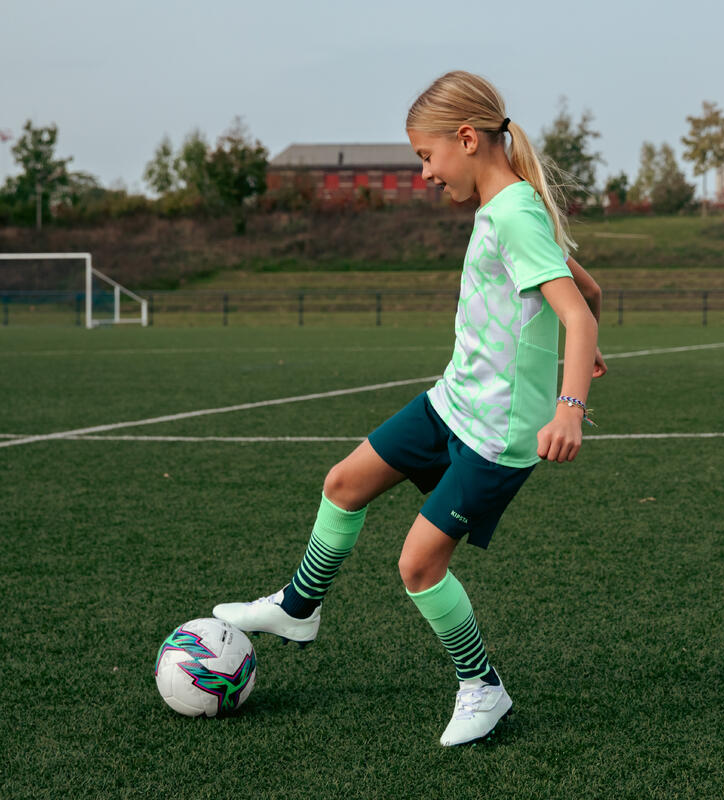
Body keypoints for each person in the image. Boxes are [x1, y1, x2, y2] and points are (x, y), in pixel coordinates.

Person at [213, 70, 606, 747]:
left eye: (426, 157)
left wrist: (570, 402)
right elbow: (587, 288)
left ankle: (482, 687)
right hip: (452, 402)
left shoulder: (512, 209)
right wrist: (586, 337)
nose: (424, 173)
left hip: (496, 435)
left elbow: (576, 312)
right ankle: (298, 608)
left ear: (466, 138)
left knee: (419, 565)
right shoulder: (505, 207)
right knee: (344, 483)